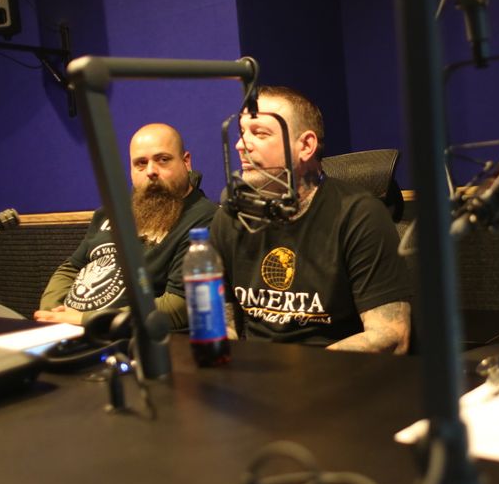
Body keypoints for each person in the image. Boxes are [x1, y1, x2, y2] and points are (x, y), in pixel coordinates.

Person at [210, 86, 411, 353]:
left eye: (260, 133)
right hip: (257, 370)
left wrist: (307, 372)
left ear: (305, 146)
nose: (241, 145)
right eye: (242, 133)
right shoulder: (231, 216)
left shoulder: (359, 215)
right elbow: (223, 323)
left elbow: (392, 335)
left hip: (337, 371)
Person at [34, 123, 217, 329]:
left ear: (186, 161)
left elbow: (179, 305)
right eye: (141, 163)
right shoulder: (110, 212)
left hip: (126, 336)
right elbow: (71, 268)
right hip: (66, 327)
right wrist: (52, 314)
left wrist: (88, 319)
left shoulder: (203, 219)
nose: (151, 171)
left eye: (163, 160)